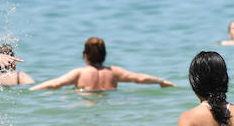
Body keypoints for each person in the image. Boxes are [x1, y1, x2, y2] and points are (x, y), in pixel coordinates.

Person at [30, 37, 174, 91]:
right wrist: (161, 81)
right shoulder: (114, 72)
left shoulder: (80, 73)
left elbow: (55, 84)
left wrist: (32, 90)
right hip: (109, 101)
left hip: (87, 102)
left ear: (85, 55)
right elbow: (139, 78)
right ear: (104, 55)